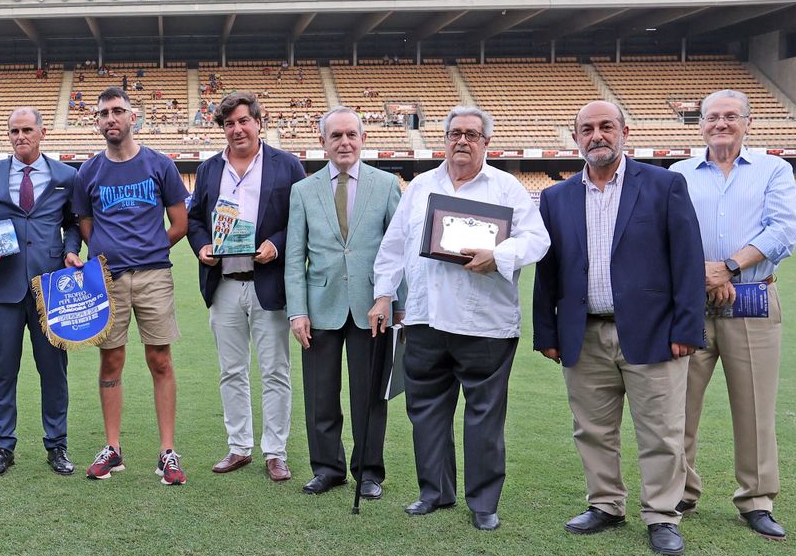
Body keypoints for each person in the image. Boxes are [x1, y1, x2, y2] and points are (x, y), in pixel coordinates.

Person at [535, 102, 705, 556]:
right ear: (575, 139)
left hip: (654, 332)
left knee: (662, 432)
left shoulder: (665, 185)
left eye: (605, 126)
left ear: (624, 131)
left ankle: (662, 515)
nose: (596, 135)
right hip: (584, 332)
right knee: (592, 429)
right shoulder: (556, 197)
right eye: (586, 128)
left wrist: (687, 327)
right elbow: (547, 271)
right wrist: (546, 333)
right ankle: (606, 504)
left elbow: (687, 262)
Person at [370, 106, 549, 531]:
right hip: (424, 319)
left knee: (484, 415)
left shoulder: (506, 187)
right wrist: (382, 296)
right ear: (444, 140)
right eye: (454, 134)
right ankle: (434, 492)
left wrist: (499, 255)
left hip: (484, 322)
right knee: (426, 410)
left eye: (471, 134)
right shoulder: (420, 187)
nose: (462, 141)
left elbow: (537, 239)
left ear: (486, 141)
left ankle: (484, 502)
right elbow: (394, 246)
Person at [671, 89, 796, 541]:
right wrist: (706, 276)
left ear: (748, 122)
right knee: (678, 405)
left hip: (751, 298)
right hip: (690, 300)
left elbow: (782, 230)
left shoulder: (774, 169)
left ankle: (756, 499)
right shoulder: (679, 173)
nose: (721, 123)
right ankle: (680, 491)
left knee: (754, 406)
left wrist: (727, 267)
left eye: (731, 116)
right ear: (700, 123)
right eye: (712, 116)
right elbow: (670, 234)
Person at [72, 87, 191, 485]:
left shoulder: (160, 164)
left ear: (132, 117)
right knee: (111, 360)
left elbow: (179, 223)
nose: (111, 118)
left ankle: (168, 452)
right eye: (104, 113)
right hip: (108, 278)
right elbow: (85, 225)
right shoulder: (89, 171)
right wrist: (107, 254)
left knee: (160, 359)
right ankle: (112, 448)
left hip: (154, 275)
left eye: (118, 111)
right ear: (97, 121)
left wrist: (149, 249)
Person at [284, 107, 403, 498]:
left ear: (363, 139)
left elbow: (397, 249)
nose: (345, 142)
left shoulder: (386, 185)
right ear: (323, 142)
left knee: (368, 395)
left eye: (351, 134)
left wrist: (392, 301)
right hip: (320, 307)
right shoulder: (303, 190)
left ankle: (369, 472)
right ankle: (327, 468)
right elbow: (294, 256)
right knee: (320, 395)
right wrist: (297, 311)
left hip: (373, 309)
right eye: (336, 136)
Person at [187, 92, 305, 482]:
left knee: (275, 371)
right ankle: (239, 446)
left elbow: (302, 221)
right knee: (231, 370)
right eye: (229, 123)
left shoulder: (286, 165)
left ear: (258, 122)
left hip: (267, 284)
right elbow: (195, 219)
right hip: (224, 284)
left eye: (243, 121)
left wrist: (277, 244)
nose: (237, 129)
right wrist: (202, 245)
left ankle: (276, 451)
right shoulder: (208, 169)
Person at [0, 108, 82, 476]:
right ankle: (3, 447)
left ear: (42, 132)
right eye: (14, 131)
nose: (21, 136)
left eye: (27, 130)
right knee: (3, 371)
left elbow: (72, 224)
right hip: (3, 288)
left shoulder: (67, 175)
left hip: (50, 288)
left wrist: (71, 249)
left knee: (54, 371)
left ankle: (57, 445)